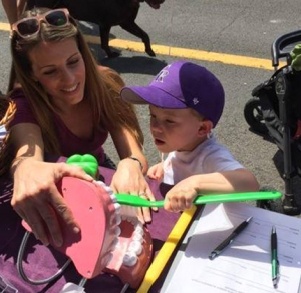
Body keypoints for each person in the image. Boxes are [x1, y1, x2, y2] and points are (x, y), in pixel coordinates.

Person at [0, 7, 154, 250]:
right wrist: (25, 168)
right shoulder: (24, 104)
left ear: (83, 53)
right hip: (58, 190)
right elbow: (26, 154)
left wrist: (130, 164)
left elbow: (133, 151)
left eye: (73, 61)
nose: (70, 79)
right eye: (50, 71)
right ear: (32, 75)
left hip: (101, 170)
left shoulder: (107, 84)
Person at [120, 60, 260, 212]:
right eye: (153, 115)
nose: (155, 127)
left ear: (202, 128)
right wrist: (164, 167)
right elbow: (181, 163)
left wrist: (194, 183)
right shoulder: (181, 144)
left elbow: (249, 182)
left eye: (169, 121)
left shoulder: (210, 156)